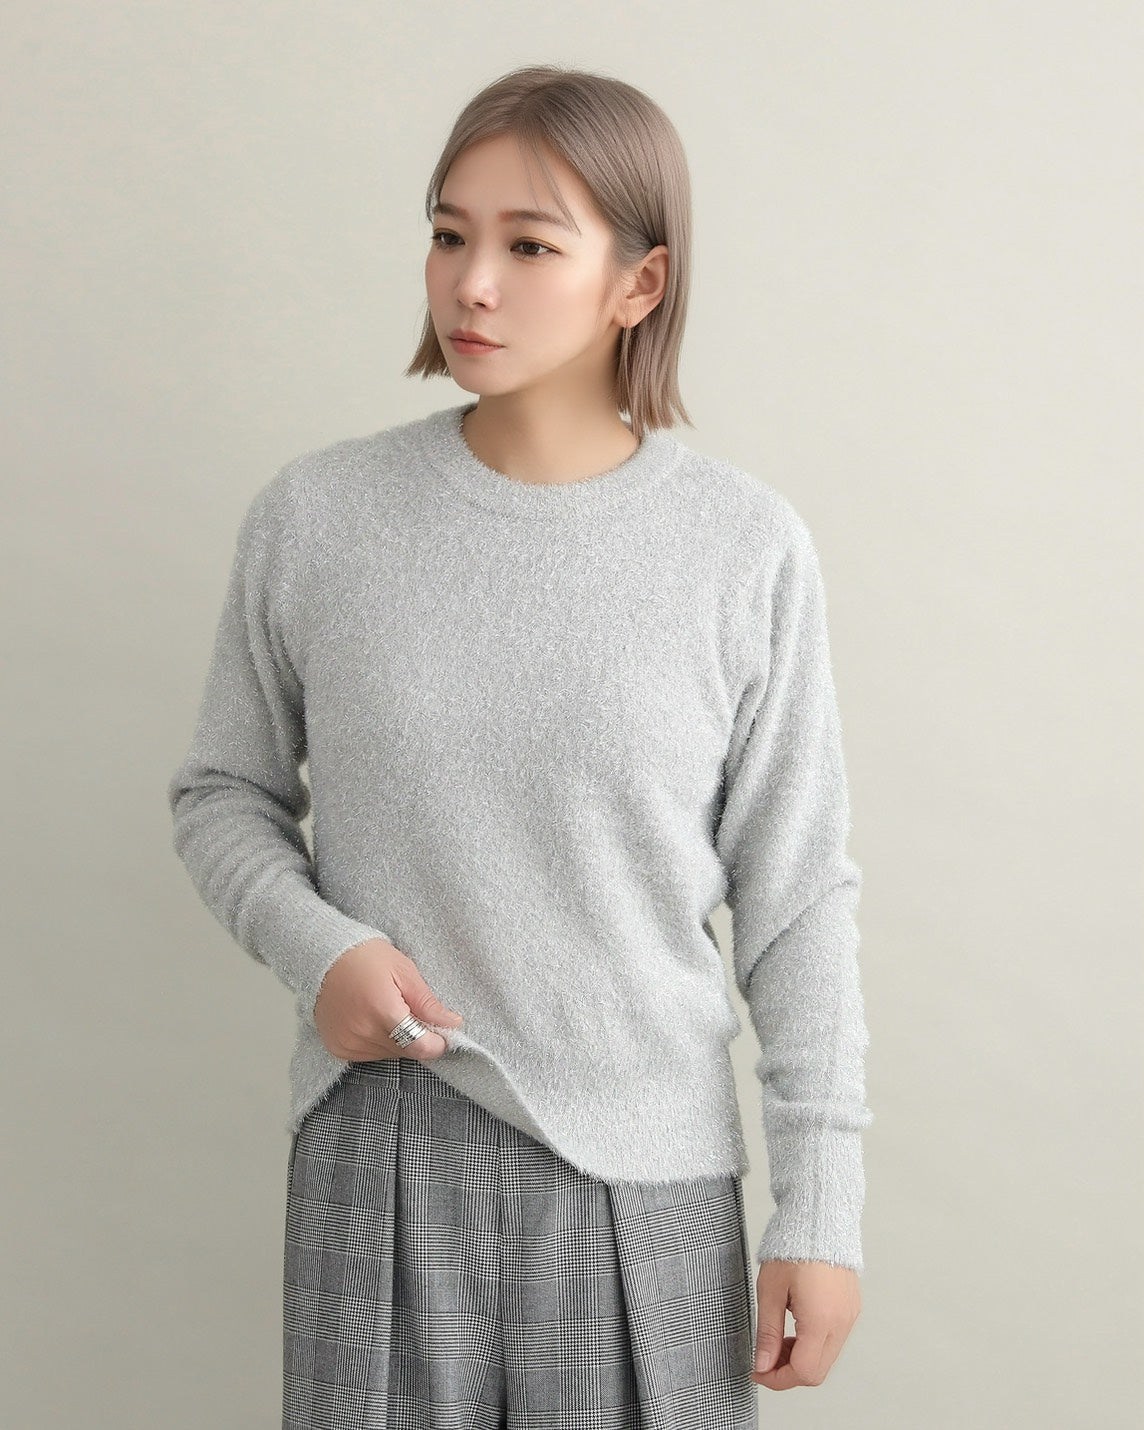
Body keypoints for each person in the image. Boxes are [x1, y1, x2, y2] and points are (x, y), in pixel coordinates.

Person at [167, 63, 873, 1429]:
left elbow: (796, 899)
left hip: (651, 1183)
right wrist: (320, 950)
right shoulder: (319, 519)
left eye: (530, 245)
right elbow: (223, 793)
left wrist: (822, 1206)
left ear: (639, 283)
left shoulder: (743, 550)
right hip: (377, 1151)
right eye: (449, 234)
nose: (471, 283)